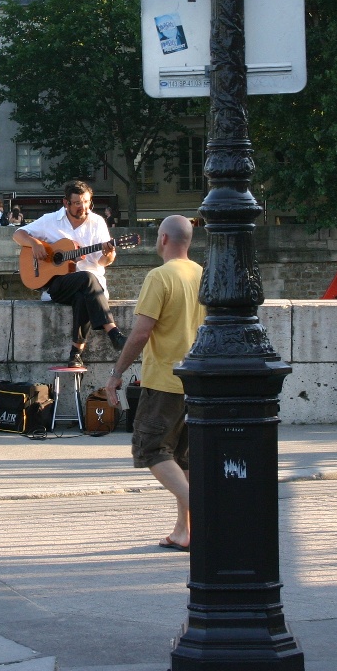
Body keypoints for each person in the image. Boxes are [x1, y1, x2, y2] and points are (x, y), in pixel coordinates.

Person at [104, 215, 203, 552]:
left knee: (150, 448)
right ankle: (184, 531)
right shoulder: (202, 274)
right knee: (183, 458)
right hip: (197, 380)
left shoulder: (159, 277)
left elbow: (141, 333)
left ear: (163, 239)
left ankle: (204, 511)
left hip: (165, 380)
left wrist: (116, 374)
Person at [12, 180, 126, 367]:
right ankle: (113, 332)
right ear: (66, 203)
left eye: (87, 202)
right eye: (78, 203)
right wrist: (35, 244)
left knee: (83, 293)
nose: (83, 207)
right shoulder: (50, 220)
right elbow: (18, 234)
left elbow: (102, 261)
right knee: (87, 277)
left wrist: (109, 254)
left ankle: (75, 353)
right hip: (58, 284)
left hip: (91, 288)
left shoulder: (97, 222)